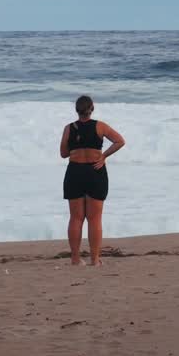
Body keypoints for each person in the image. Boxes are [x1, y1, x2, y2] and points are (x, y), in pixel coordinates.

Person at [60, 95, 125, 266]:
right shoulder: (100, 126)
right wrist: (103, 156)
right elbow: (120, 141)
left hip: (75, 172)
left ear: (77, 110)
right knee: (94, 219)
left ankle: (75, 259)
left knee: (76, 218)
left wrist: (78, 146)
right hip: (95, 171)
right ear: (92, 109)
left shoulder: (69, 128)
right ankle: (95, 260)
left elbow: (63, 153)